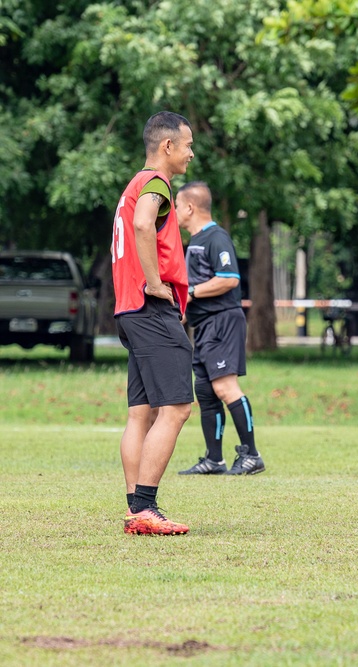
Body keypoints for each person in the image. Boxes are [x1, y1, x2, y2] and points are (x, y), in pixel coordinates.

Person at [111, 111, 195, 535]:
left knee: (140, 413)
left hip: (128, 310)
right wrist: (156, 283)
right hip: (149, 308)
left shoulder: (133, 184)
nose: (191, 153)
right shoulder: (156, 184)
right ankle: (145, 506)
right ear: (168, 147)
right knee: (178, 407)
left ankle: (135, 509)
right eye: (187, 145)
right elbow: (145, 224)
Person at [174, 181, 265, 476]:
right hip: (204, 325)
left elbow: (229, 278)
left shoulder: (216, 238)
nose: (173, 211)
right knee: (204, 388)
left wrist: (192, 294)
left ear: (189, 207)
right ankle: (214, 460)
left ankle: (252, 455)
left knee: (225, 387)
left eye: (176, 206)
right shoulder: (196, 241)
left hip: (223, 321)